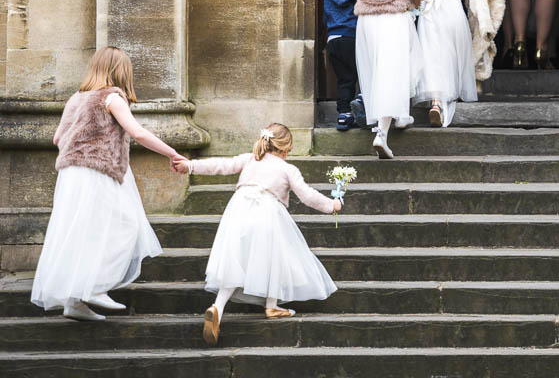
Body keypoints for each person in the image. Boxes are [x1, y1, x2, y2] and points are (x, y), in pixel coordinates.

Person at [31, 45, 188, 321]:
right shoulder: (112, 97)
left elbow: (58, 139)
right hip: (97, 170)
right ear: (120, 72)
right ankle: (96, 286)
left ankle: (75, 303)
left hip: (71, 174)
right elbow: (137, 132)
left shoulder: (76, 98)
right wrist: (173, 153)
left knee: (83, 231)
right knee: (127, 225)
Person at [173, 122, 340, 346]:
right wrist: (332, 205)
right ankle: (271, 305)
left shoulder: (250, 159)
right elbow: (307, 195)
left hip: (238, 209)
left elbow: (221, 165)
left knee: (236, 261)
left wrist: (190, 166)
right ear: (285, 148)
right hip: (267, 212)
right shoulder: (288, 169)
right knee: (275, 257)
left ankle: (218, 308)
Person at [353, 0, 426, 159]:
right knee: (392, 72)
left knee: (376, 71)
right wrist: (415, 3)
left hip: (367, 19)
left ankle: (398, 116)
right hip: (393, 17)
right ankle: (381, 134)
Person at [414, 0, 478, 127]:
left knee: (432, 58)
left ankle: (436, 101)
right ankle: (448, 95)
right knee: (451, 56)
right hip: (452, 15)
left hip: (429, 16)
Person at [323, 0, 360, 131]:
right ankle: (363, 108)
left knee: (344, 79)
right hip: (352, 36)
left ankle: (344, 114)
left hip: (334, 39)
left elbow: (326, 17)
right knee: (361, 76)